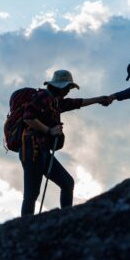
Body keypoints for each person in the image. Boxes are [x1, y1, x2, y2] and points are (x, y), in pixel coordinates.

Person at [20, 69, 107, 216]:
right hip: (32, 149)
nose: (69, 91)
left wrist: (99, 99)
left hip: (42, 151)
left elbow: (77, 103)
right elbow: (28, 117)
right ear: (60, 86)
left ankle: (66, 218)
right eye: (68, 88)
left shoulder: (56, 102)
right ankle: (24, 232)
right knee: (32, 194)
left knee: (67, 183)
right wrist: (49, 131)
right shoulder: (44, 96)